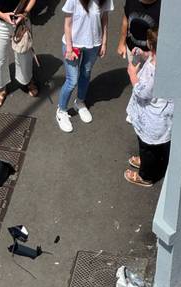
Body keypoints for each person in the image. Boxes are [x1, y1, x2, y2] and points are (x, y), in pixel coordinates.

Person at [124, 28, 173, 187]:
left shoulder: (154, 72)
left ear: (151, 44)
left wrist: (132, 74)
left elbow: (142, 92)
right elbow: (151, 56)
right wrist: (143, 54)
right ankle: (147, 162)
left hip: (152, 120)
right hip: (163, 116)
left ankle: (146, 176)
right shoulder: (167, 59)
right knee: (154, 148)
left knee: (148, 148)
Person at [55, 0, 112, 133]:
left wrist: (104, 43)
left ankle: (79, 102)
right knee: (72, 80)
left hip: (94, 44)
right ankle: (61, 110)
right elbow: (67, 24)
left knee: (86, 73)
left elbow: (104, 20)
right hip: (73, 45)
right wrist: (69, 48)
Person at [0, 0, 38, 109]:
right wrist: (2, 15)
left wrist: (25, 13)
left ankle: (27, 79)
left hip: (22, 21)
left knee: (24, 56)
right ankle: (1, 88)